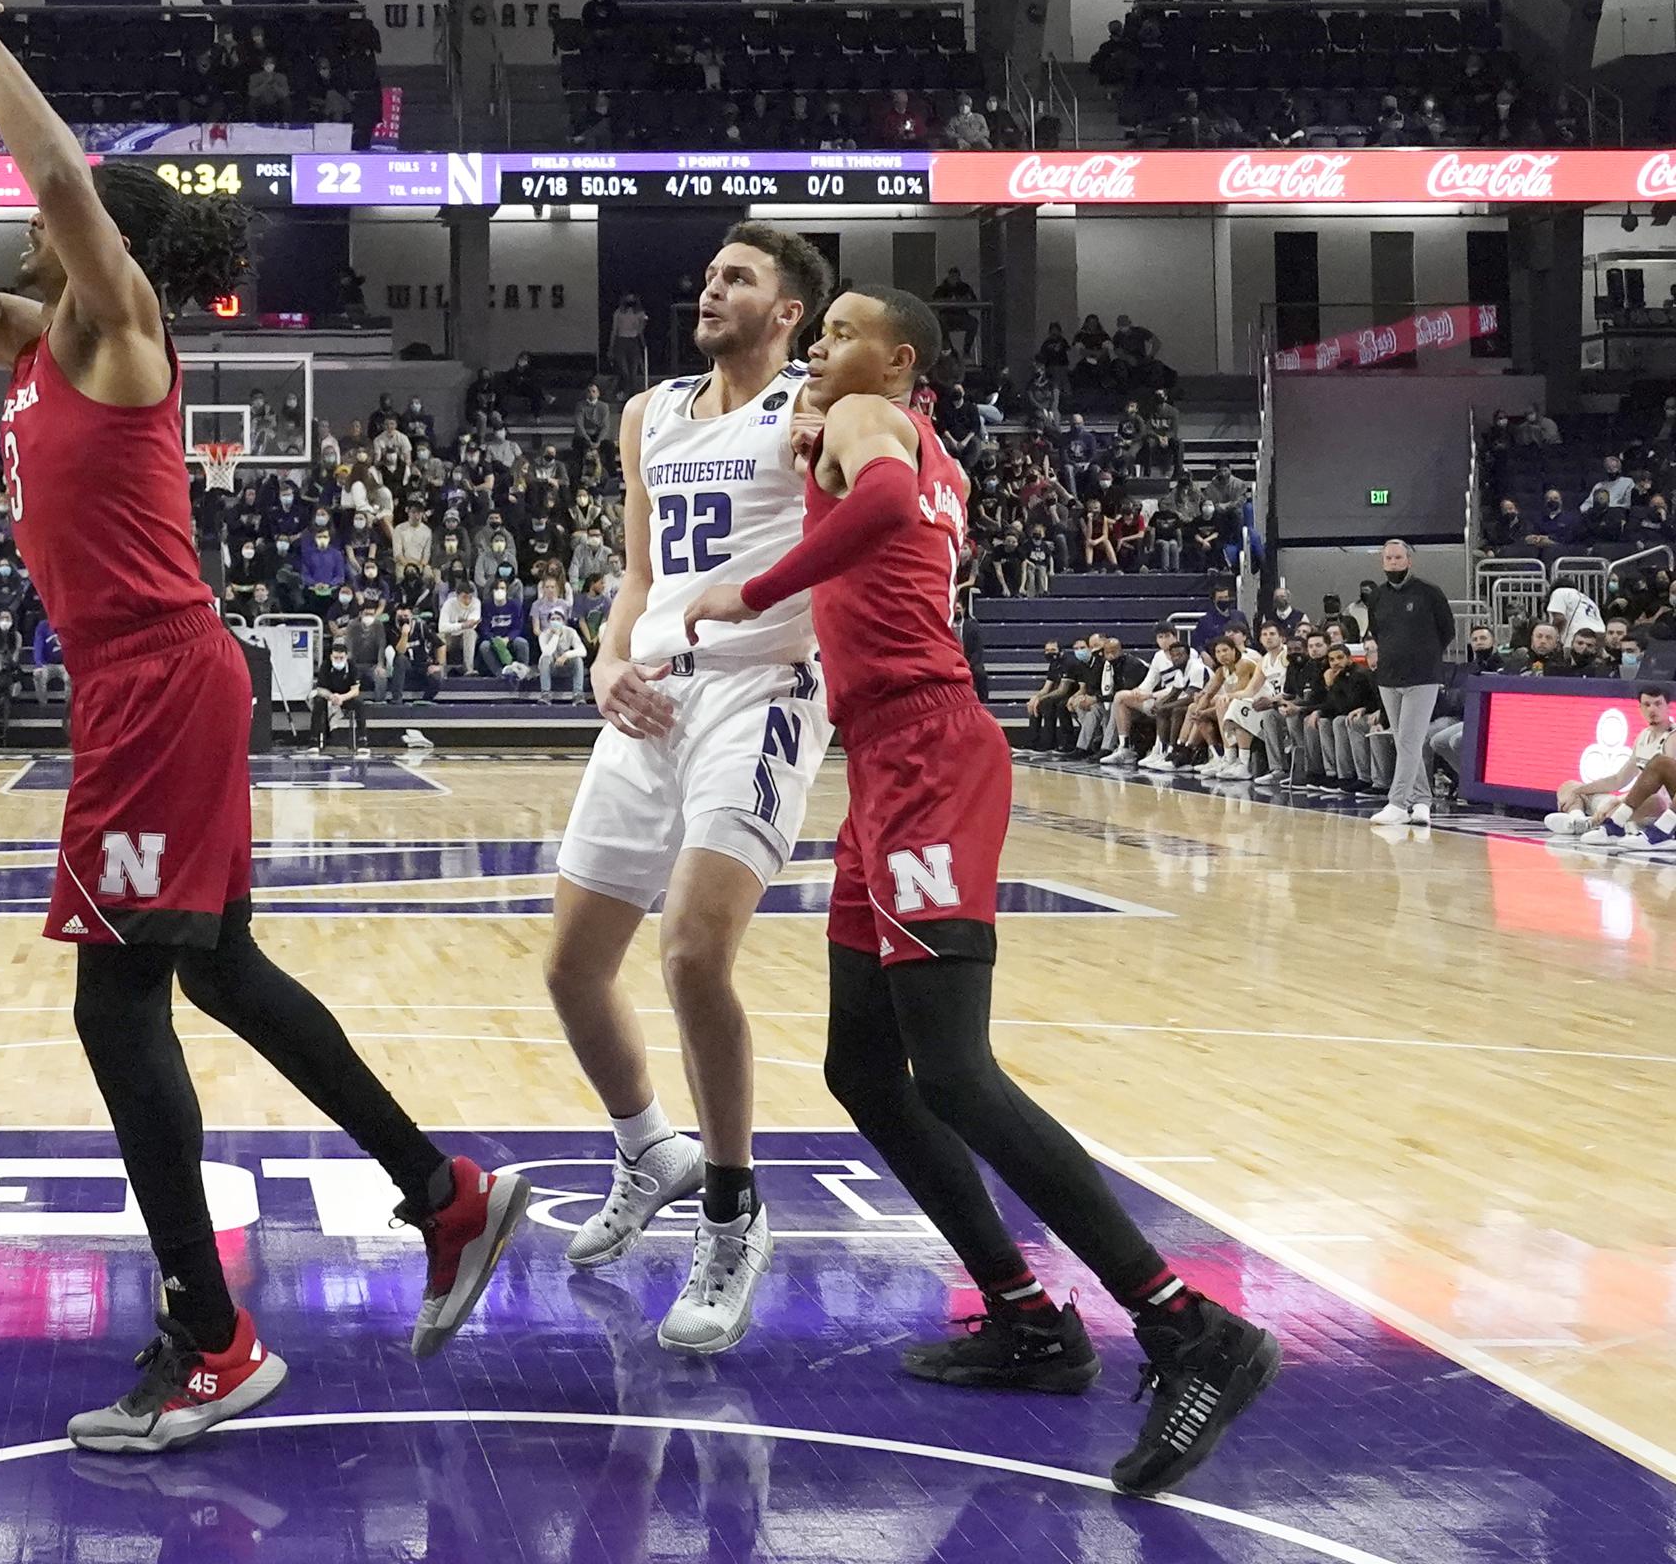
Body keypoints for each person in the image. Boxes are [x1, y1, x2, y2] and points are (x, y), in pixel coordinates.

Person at [0, 0, 524, 1455]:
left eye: (38, 223)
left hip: (156, 683)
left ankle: (213, 1337)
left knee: (115, 1001)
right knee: (213, 974)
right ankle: (445, 1193)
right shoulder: (22, 349)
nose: (17, 225)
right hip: (140, 691)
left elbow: (71, 191)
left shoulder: (119, 328)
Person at [681, 285, 1281, 1498]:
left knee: (952, 1067)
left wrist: (748, 588)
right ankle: (1023, 1312)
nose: (822, 346)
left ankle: (1186, 1325)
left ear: (897, 359)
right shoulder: (891, 424)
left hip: (924, 753)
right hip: (893, 756)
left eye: (843, 330)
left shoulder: (872, 427)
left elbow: (885, 494)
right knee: (865, 1064)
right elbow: (887, 482)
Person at [546, 225, 835, 1356]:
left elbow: (885, 476)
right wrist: (609, 658)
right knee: (574, 967)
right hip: (653, 692)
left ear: (789, 312)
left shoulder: (820, 402)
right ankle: (648, 1149)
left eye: (739, 278)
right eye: (709, 271)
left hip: (761, 688)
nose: (710, 287)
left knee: (690, 952)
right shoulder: (650, 411)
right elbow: (639, 570)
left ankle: (731, 1206)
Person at [1363, 538, 1453, 826]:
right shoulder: (1376, 596)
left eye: (1398, 558)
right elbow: (1377, 631)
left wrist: (1423, 655)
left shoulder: (1429, 592)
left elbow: (1447, 630)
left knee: (1411, 740)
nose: (1393, 562)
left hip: (1423, 677)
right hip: (1388, 676)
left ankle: (1398, 803)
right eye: (1388, 558)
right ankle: (1422, 801)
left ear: (1409, 561)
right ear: (1382, 562)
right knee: (1404, 743)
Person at [1545, 685, 1674, 843]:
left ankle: (1595, 823)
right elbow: (1618, 780)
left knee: (1655, 799)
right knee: (1569, 787)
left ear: (1668, 706)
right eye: (1647, 705)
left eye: (1658, 704)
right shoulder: (1643, 737)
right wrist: (1580, 791)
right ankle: (1578, 821)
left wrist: (1619, 801)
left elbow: (1662, 790)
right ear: (1639, 708)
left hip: (1654, 805)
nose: (1652, 709)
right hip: (1628, 801)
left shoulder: (1672, 737)